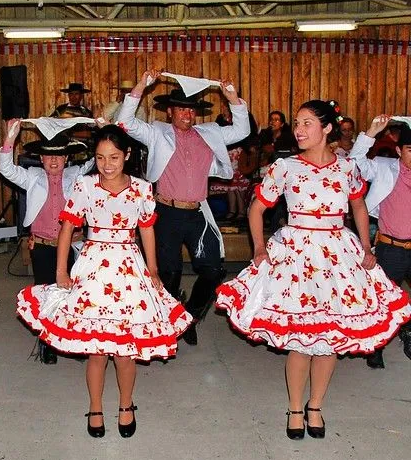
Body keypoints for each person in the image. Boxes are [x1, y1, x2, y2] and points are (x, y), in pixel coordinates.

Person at [216, 100, 411, 440]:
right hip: (296, 253)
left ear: (327, 129)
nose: (299, 129)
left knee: (330, 337)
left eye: (307, 122)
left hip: (338, 254)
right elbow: (256, 208)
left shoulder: (346, 168)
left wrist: (366, 247)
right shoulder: (286, 167)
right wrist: (259, 248)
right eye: (297, 122)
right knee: (301, 340)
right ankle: (294, 407)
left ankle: (316, 405)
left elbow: (359, 208)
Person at [16, 125, 192, 439]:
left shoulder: (141, 188)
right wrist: (60, 271)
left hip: (128, 269)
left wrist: (153, 270)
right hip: (93, 266)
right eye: (100, 157)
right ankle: (95, 406)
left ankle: (126, 404)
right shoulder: (84, 186)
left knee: (125, 349)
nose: (107, 164)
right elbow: (67, 228)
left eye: (113, 157)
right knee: (96, 349)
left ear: (126, 155)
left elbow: (147, 229)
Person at [116, 70, 251, 345]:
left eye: (191, 110)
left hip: (198, 212)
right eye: (180, 110)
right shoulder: (157, 133)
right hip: (166, 212)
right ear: (170, 112)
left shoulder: (209, 133)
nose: (186, 115)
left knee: (213, 269)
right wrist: (142, 84)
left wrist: (232, 97)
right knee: (168, 274)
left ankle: (188, 318)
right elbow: (124, 121)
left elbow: (243, 130)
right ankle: (170, 318)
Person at [0, 121, 94, 364]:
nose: (54, 162)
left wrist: (100, 130)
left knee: (73, 293)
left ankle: (72, 339)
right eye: (48, 156)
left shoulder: (77, 175)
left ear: (67, 158)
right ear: (40, 158)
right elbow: (6, 169)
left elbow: (97, 161)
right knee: (45, 291)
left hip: (72, 245)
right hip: (42, 244)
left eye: (59, 156)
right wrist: (9, 139)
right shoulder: (32, 177)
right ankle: (46, 341)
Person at [349, 115, 411, 369]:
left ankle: (408, 333)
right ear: (399, 150)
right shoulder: (385, 167)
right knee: (383, 300)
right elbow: (354, 163)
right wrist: (370, 133)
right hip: (391, 247)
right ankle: (377, 346)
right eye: (410, 150)